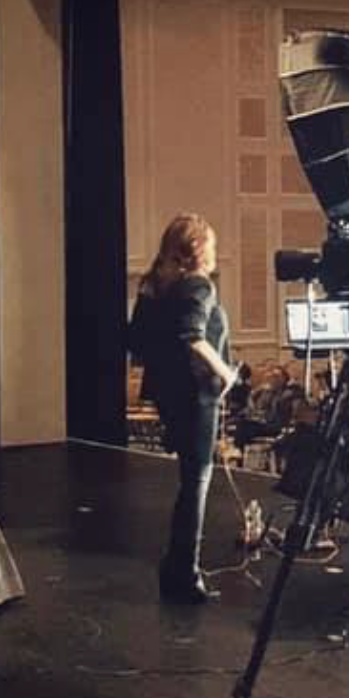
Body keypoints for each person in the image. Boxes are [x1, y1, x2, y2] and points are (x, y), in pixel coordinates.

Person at [128, 213, 236, 604]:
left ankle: (178, 567)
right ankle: (183, 574)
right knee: (196, 484)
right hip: (196, 395)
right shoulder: (197, 286)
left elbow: (136, 344)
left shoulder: (153, 286)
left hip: (169, 394)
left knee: (190, 482)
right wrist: (227, 374)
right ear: (200, 249)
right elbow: (192, 336)